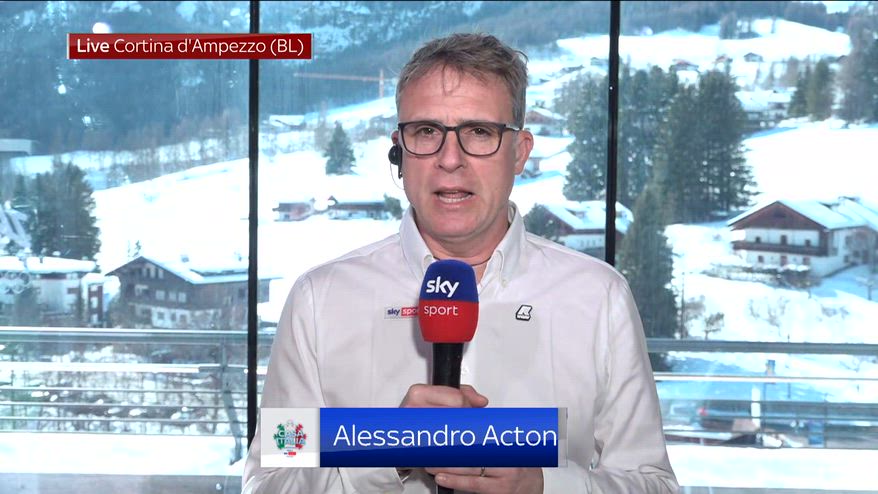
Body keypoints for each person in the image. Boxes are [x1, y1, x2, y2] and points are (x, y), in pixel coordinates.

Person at [243, 33, 678, 493]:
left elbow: (652, 483)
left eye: (479, 132)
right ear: (400, 150)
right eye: (427, 132)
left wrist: (544, 487)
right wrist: (389, 445)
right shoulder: (321, 300)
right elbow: (272, 480)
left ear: (520, 152)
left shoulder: (598, 297)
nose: (450, 160)